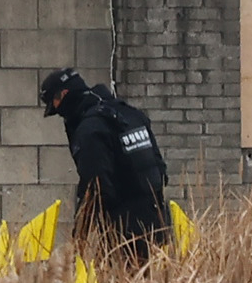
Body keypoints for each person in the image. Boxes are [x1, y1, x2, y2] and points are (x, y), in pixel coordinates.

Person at [39, 67, 170, 251]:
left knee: (118, 280)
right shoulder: (131, 114)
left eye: (56, 106)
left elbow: (95, 187)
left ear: (64, 94)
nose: (59, 113)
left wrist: (79, 237)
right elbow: (160, 169)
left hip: (124, 236)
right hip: (159, 224)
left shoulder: (90, 129)